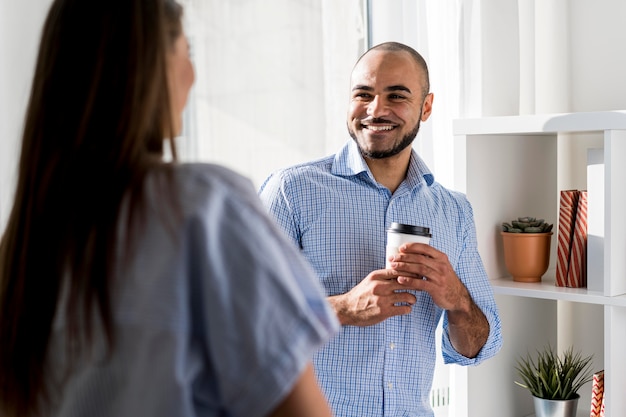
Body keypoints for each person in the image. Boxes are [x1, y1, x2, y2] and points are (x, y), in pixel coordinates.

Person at [0, 1, 339, 417]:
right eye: (186, 52)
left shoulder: (19, 251)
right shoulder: (206, 208)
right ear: (143, 70)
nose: (193, 77)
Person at [259, 41, 503, 416]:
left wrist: (455, 297)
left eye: (396, 95)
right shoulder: (293, 192)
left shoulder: (454, 211)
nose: (376, 109)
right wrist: (343, 308)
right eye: (363, 94)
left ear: (427, 106)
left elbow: (477, 347)